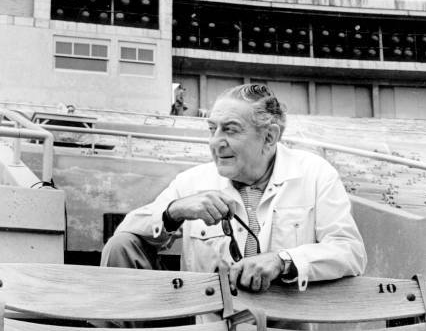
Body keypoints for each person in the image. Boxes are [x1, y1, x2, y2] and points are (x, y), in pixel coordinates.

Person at [102, 84, 367, 292]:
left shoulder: (315, 173)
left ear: (270, 136)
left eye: (230, 130)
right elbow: (125, 237)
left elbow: (350, 252)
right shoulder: (192, 181)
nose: (216, 142)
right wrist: (174, 212)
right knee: (122, 244)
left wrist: (282, 261)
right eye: (212, 129)